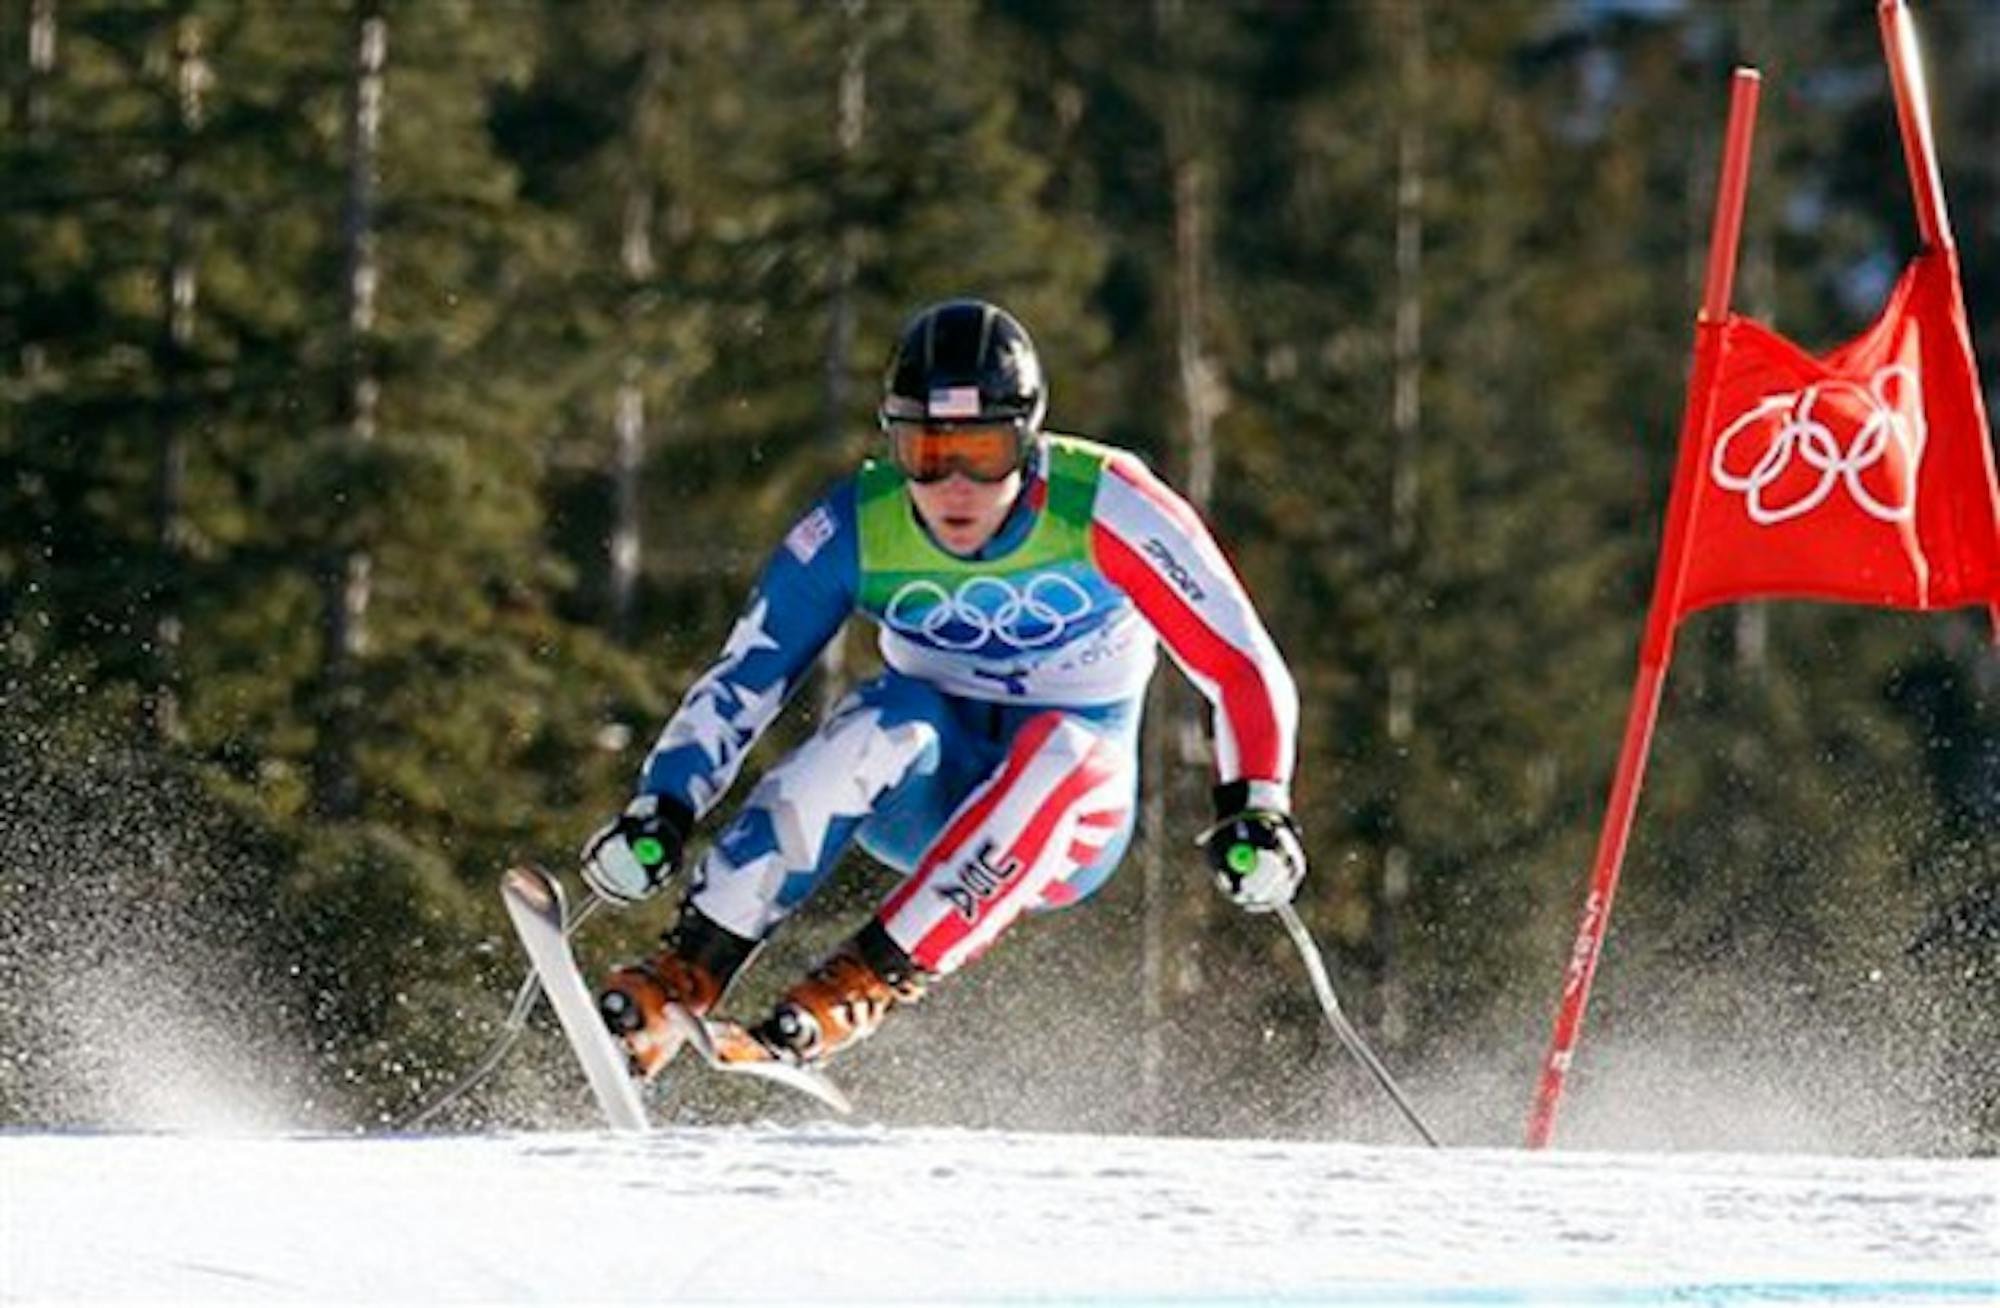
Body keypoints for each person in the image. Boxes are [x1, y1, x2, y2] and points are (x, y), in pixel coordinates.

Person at [581, 298, 1305, 1076]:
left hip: (1064, 825)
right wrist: (664, 805)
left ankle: (851, 991)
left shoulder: (1107, 504)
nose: (955, 486)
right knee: (882, 717)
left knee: (1063, 750)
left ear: (1027, 442)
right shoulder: (858, 525)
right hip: (920, 798)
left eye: (984, 453)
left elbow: (1239, 660)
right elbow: (745, 677)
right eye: (926, 453)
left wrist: (1256, 807)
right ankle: (684, 973)